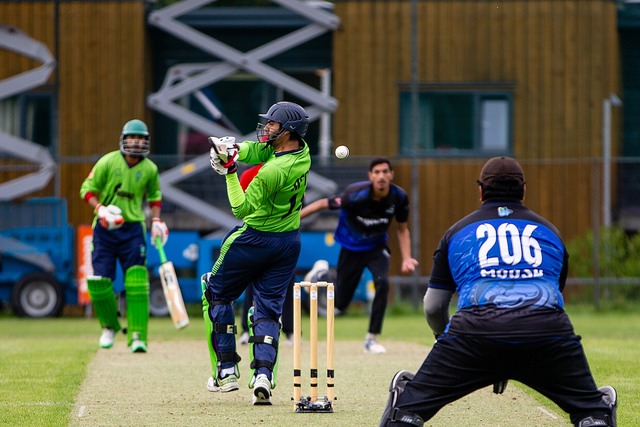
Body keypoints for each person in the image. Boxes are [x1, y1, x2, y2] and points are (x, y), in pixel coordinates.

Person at [379, 156, 617, 426]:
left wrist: (443, 340)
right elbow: (555, 295)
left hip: (473, 334)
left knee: (407, 411)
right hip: (547, 333)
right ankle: (596, 415)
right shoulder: (551, 232)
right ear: (523, 191)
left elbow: (433, 306)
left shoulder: (455, 232)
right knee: (593, 411)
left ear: (480, 191)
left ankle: (405, 412)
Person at [202, 101, 310, 405]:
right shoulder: (301, 151)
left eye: (273, 125)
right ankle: (263, 374)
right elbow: (259, 149)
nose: (268, 128)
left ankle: (226, 370)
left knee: (216, 292)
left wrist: (230, 170)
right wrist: (234, 149)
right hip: (288, 243)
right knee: (267, 311)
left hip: (254, 238)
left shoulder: (272, 173)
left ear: (287, 131)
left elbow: (241, 208)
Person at [300, 157, 419, 354]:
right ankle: (321, 274)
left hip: (376, 247)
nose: (381, 176)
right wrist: (295, 219)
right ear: (370, 176)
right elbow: (323, 203)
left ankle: (371, 339)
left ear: (391, 175)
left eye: (385, 172)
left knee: (382, 283)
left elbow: (402, 229)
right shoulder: (355, 194)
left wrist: (407, 257)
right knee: (340, 304)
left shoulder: (399, 197)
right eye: (377, 172)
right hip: (351, 247)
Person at [80, 119, 168, 354]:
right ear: (124, 139)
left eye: (141, 138)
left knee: (137, 281)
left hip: (133, 230)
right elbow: (87, 190)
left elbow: (155, 197)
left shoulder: (149, 168)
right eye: (132, 137)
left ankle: (138, 335)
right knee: (100, 282)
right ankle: (109, 326)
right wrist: (100, 209)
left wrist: (157, 221)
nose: (136, 142)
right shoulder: (108, 161)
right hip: (105, 228)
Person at [237, 163, 295, 347]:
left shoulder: (289, 171)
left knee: (286, 283)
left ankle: (291, 331)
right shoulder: (248, 175)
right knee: (251, 281)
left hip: (283, 236)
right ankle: (247, 330)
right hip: (256, 236)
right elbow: (242, 208)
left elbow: (297, 203)